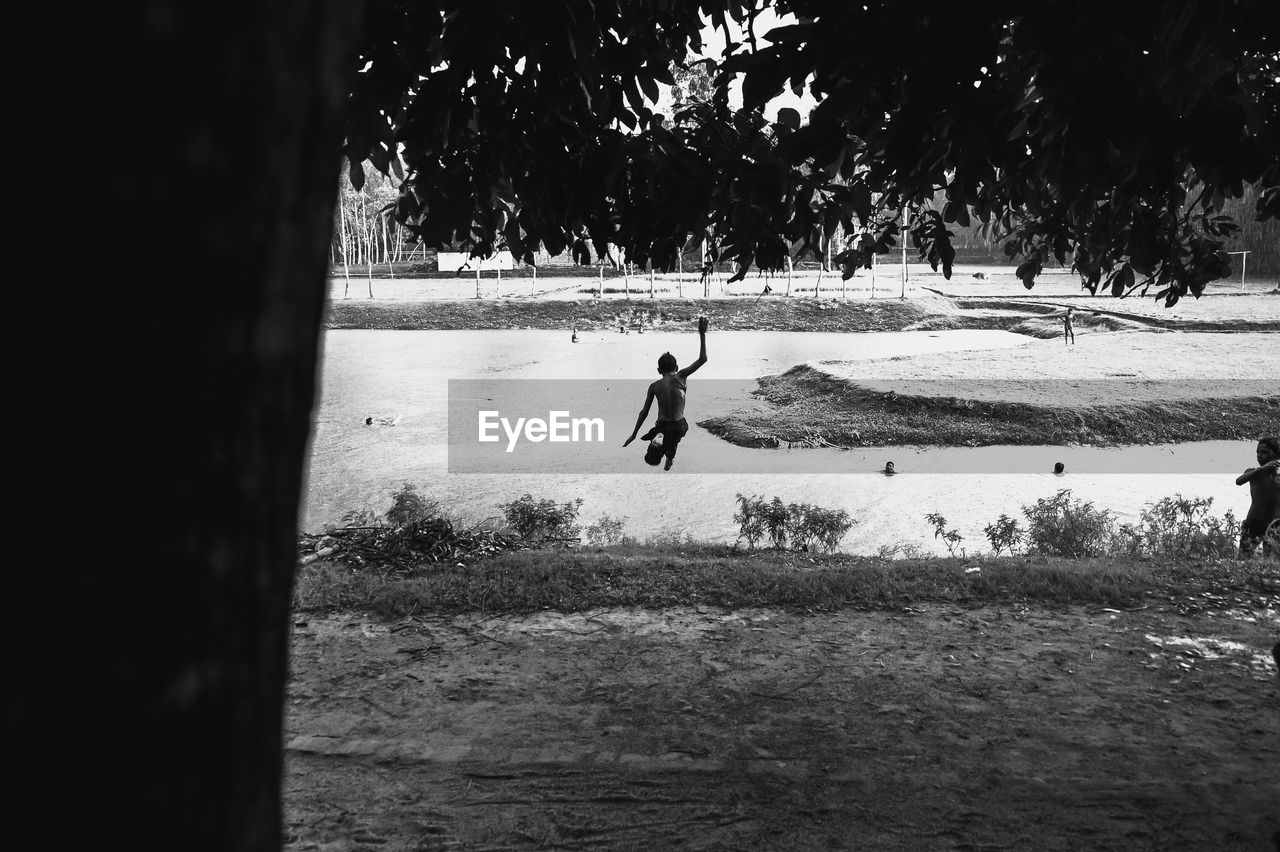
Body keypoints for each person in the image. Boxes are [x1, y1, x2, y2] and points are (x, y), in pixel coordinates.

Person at [623, 316, 709, 470]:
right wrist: (702, 333)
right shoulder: (680, 377)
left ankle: (661, 449)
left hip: (662, 426)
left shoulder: (654, 386)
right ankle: (669, 455)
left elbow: (644, 412)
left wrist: (634, 433)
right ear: (676, 368)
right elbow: (703, 359)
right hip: (678, 425)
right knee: (672, 439)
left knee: (657, 443)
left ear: (658, 371)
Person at [1235, 436, 1280, 557]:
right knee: (1243, 558)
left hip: (1275, 525)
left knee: (1271, 559)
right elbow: (1239, 481)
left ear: (1276, 455)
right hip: (1253, 522)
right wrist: (1264, 468)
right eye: (1258, 452)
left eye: (1264, 452)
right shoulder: (1253, 472)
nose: (1259, 455)